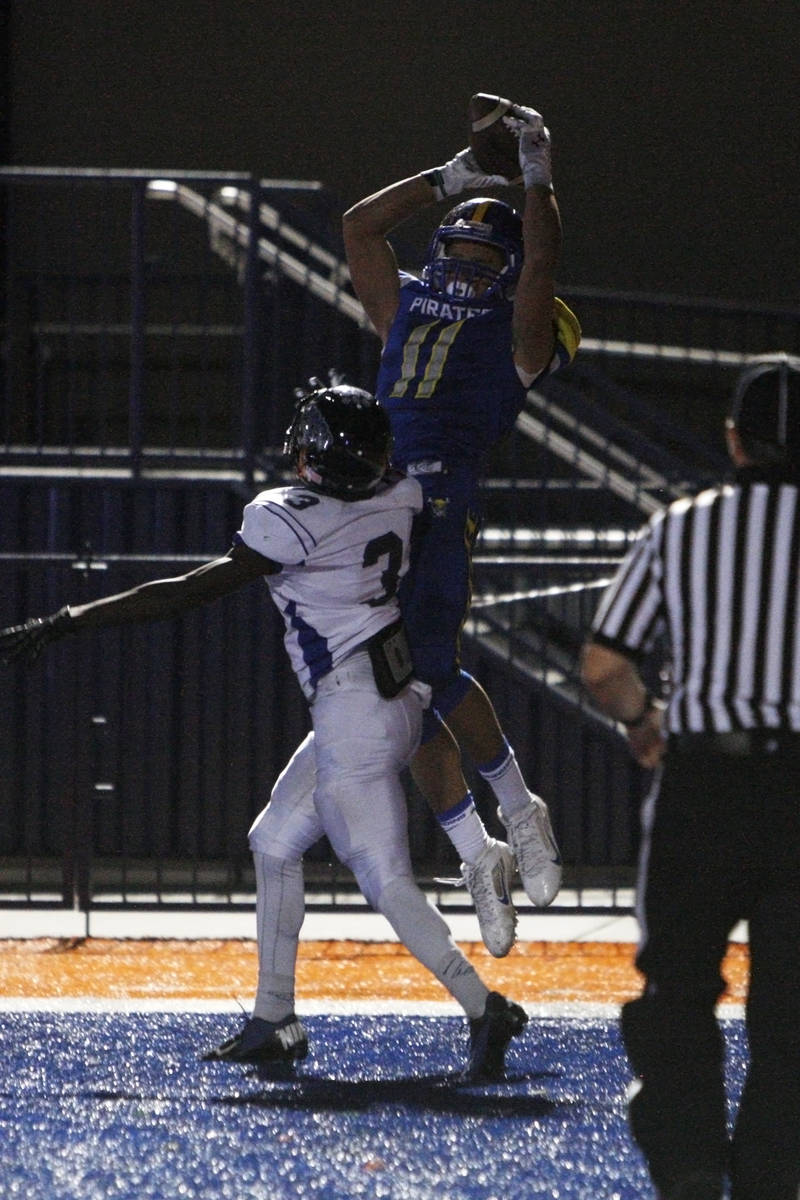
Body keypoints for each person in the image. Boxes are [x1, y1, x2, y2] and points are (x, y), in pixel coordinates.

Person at [0, 380, 527, 1080]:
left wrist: (70, 620)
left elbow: (188, 591)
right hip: (400, 700)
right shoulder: (399, 495)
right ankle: (273, 1018)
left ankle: (482, 1005)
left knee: (386, 879)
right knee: (274, 842)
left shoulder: (290, 517)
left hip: (354, 717)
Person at [342, 101, 580, 957]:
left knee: (428, 669)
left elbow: (542, 266)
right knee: (393, 692)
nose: (468, 269)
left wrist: (539, 181)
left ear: (513, 271)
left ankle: (516, 807)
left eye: (489, 259)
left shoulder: (518, 335)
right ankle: (477, 851)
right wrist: (445, 179)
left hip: (438, 504)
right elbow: (360, 227)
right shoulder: (404, 305)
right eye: (459, 251)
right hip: (371, 507)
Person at [580, 353, 800, 1200]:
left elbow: (606, 665)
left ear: (736, 440)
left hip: (706, 787)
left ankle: (690, 1173)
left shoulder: (682, 526)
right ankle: (772, 1180)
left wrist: (646, 723)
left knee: (677, 992)